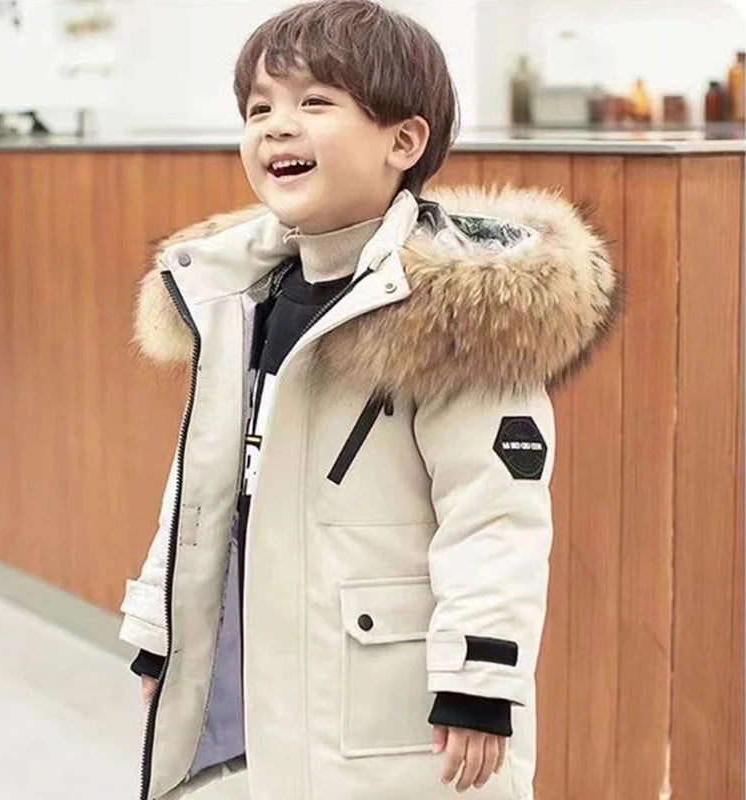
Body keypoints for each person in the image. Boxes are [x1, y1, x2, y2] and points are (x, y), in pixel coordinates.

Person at [117, 1, 622, 798]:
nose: (278, 126)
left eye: (315, 103)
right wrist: (163, 628)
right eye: (259, 108)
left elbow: (495, 514)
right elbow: (204, 485)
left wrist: (478, 679)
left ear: (404, 140)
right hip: (289, 672)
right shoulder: (239, 297)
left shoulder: (456, 307)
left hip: (403, 706)